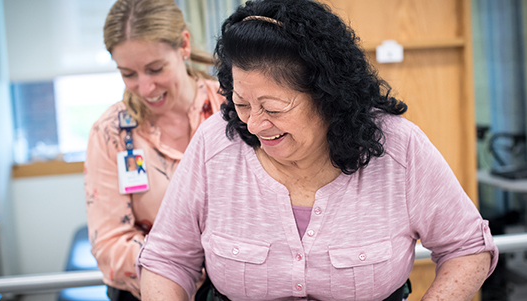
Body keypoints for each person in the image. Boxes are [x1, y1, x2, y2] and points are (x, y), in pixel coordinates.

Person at [136, 0, 498, 300]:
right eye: (242, 104)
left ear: (328, 96)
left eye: (274, 109)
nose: (255, 124)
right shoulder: (215, 144)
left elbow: (467, 249)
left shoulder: (399, 148)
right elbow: (167, 261)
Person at [83, 0, 225, 300]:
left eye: (155, 69)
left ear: (184, 45)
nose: (145, 87)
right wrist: (179, 268)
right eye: (129, 74)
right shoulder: (111, 134)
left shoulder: (232, 110)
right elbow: (110, 245)